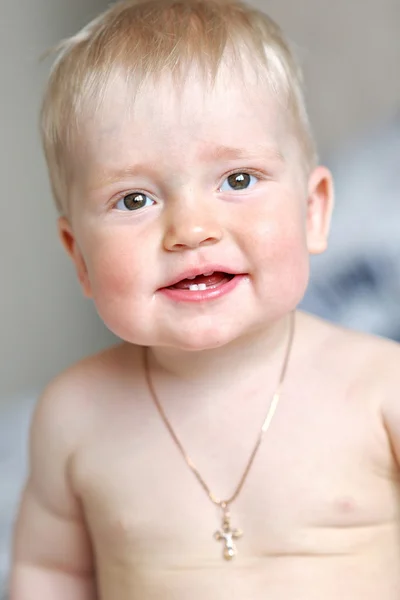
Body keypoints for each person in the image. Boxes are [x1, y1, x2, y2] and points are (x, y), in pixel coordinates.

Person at [9, 0, 400, 598]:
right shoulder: (73, 417)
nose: (191, 229)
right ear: (79, 257)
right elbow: (51, 574)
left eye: (238, 180)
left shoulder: (379, 388)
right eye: (134, 199)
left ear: (314, 210)